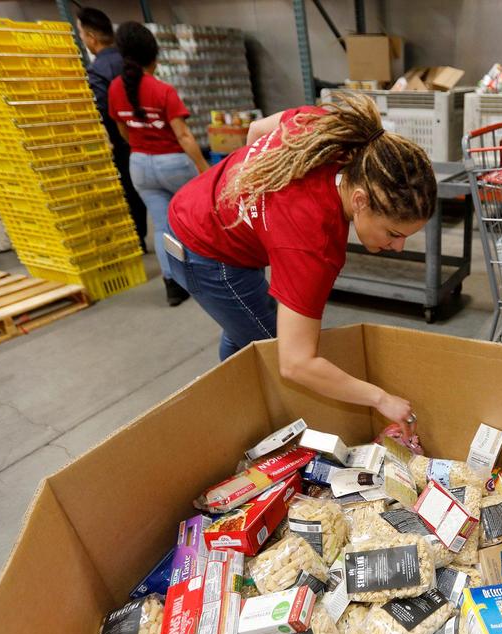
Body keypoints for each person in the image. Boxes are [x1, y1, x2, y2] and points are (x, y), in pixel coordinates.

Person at [163, 93, 436, 436]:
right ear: (360, 200)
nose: (399, 247)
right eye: (394, 233)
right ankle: (249, 431)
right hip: (203, 249)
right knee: (269, 349)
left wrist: (255, 208)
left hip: (196, 201)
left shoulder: (328, 129)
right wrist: (380, 399)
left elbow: (256, 131)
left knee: (246, 329)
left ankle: (233, 395)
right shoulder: (313, 244)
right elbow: (296, 364)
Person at [108, 21, 208, 306]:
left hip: (139, 164)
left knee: (163, 225)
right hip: (173, 163)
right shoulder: (162, 91)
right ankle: (205, 276)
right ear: (154, 55)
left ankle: (173, 286)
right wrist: (203, 169)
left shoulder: (116, 89)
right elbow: (184, 135)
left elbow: (123, 131)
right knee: (194, 221)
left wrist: (142, 146)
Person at [76, 7, 148, 253]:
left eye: (81, 34)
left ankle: (135, 240)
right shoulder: (134, 64)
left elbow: (105, 113)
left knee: (128, 191)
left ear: (91, 37)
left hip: (123, 145)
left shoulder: (99, 71)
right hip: (147, 144)